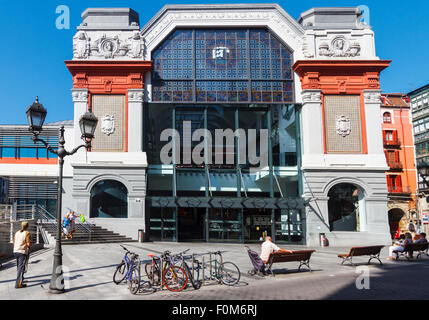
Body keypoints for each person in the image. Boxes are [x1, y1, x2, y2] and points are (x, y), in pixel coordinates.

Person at [13, 221, 31, 288]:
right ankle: (18, 284)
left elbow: (14, 242)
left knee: (19, 267)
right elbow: (28, 244)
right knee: (21, 268)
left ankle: (21, 279)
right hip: (22, 252)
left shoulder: (17, 232)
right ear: (27, 226)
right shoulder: (27, 233)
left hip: (15, 251)